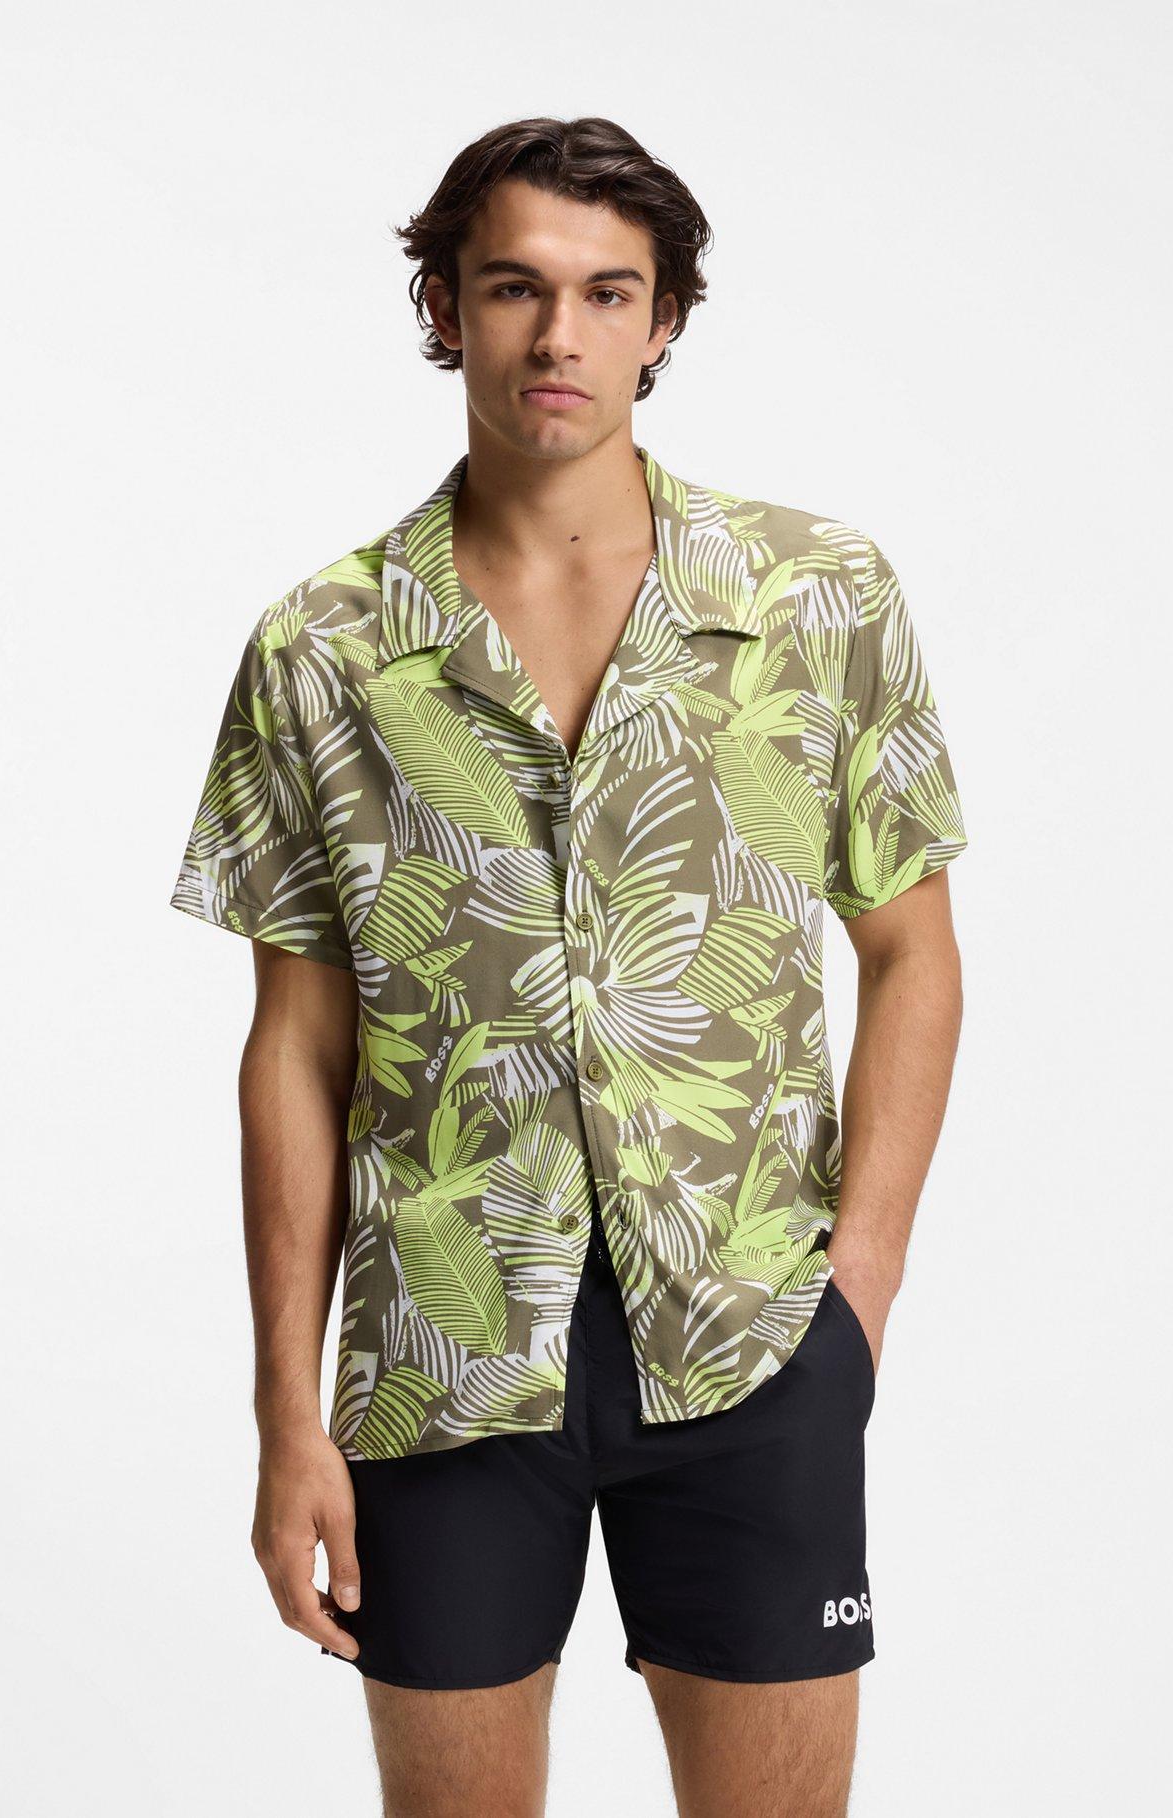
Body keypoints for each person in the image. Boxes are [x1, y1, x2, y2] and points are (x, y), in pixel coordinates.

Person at [169, 114, 968, 1818]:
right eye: (515, 287)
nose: (561, 334)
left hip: (753, 1330)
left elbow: (912, 952)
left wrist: (860, 1292)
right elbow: (294, 1049)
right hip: (443, 1358)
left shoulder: (817, 595)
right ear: (445, 308)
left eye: (610, 292)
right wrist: (286, 1415)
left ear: (664, 320)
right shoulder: (323, 649)